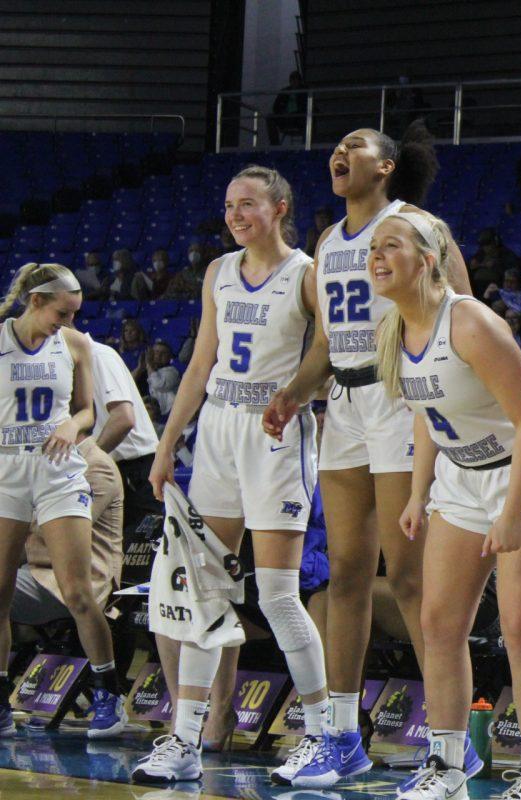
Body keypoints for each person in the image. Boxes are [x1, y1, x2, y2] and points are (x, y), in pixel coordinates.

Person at [262, 126, 470, 788]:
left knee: (411, 578)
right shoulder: (327, 241)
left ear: (385, 165)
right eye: (336, 146)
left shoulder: (417, 226)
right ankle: (341, 738)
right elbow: (326, 343)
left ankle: (452, 743)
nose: (338, 153)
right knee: (346, 574)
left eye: (354, 144)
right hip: (344, 410)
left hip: (403, 400)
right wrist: (294, 391)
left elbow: (462, 314)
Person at [132, 166, 329, 785]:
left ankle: (324, 738)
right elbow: (197, 364)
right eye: (228, 206)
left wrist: (295, 392)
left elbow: (330, 353)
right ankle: (185, 741)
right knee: (203, 591)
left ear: (280, 207)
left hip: (274, 433)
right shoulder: (218, 272)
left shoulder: (305, 274)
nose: (235, 214)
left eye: (248, 204)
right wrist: (168, 444)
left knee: (275, 594)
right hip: (216, 428)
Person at [363, 210, 521, 800]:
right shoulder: (396, 328)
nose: (376, 255)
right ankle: (449, 764)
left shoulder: (469, 323)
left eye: (390, 245)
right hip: (460, 476)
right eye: (373, 246)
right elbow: (426, 414)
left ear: (427, 259)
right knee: (439, 624)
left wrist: (513, 511)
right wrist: (419, 493)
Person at [0, 263, 127, 739]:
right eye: (63, 312)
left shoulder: (75, 345)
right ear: (36, 302)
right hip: (7, 468)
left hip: (58, 470)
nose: (69, 322)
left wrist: (71, 426)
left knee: (77, 591)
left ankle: (108, 694)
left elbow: (88, 411)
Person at [13, 437, 122, 630]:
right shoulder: (47, 462)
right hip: (36, 570)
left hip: (71, 581)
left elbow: (60, 533)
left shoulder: (97, 465)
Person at [86, 333, 160, 532]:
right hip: (106, 467)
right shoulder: (65, 362)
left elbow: (123, 419)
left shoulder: (98, 356)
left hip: (134, 468)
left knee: (144, 554)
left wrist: (86, 461)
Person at [145, 340, 181, 418]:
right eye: (156, 352)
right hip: (155, 415)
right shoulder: (150, 369)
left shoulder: (172, 372)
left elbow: (158, 385)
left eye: (163, 353)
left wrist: (149, 364)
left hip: (170, 414)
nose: (158, 355)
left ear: (169, 357)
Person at [270, 71, 307, 146]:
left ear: (299, 81)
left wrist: (295, 113)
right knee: (270, 118)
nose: (294, 82)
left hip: (298, 118)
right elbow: (275, 107)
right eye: (292, 80)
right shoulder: (284, 92)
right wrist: (282, 112)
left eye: (295, 80)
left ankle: (306, 144)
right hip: (285, 118)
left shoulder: (305, 92)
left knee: (307, 119)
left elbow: (306, 106)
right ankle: (275, 144)